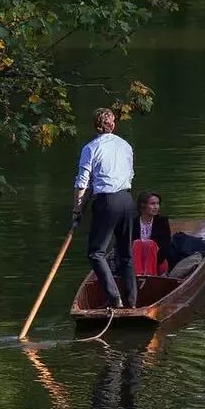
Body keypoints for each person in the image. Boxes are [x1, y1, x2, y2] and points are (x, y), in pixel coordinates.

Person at [73, 108, 136, 309]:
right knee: (125, 254)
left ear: (95, 126)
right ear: (113, 125)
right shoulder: (125, 145)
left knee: (96, 253)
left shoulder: (90, 148)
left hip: (107, 202)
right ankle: (132, 301)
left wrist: (77, 210)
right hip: (127, 200)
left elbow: (82, 183)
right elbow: (131, 173)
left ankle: (114, 297)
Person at [132, 191, 174, 275]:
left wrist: (151, 260)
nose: (156, 207)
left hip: (158, 262)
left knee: (150, 244)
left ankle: (149, 276)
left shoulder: (162, 221)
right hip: (136, 262)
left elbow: (166, 247)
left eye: (158, 203)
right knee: (137, 243)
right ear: (143, 205)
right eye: (152, 204)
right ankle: (137, 276)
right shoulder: (132, 222)